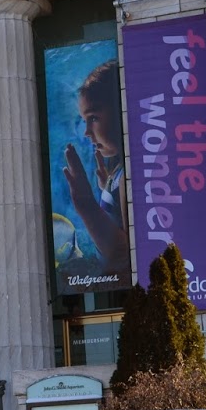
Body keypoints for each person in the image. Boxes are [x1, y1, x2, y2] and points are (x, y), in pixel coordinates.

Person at [62, 60, 129, 281]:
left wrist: (86, 203)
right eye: (84, 121)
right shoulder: (119, 173)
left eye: (93, 118)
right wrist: (106, 185)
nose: (87, 133)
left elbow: (126, 256)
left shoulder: (131, 176)